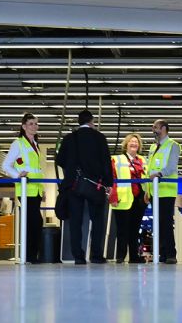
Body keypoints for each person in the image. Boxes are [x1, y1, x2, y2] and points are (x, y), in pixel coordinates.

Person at [55, 109, 114, 265]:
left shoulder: (69, 138)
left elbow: (59, 160)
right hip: (96, 185)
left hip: (74, 185)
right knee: (98, 221)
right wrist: (108, 183)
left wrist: (72, 169)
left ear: (78, 122)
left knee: (75, 221)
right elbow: (106, 163)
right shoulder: (100, 138)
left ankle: (78, 257)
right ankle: (96, 255)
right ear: (91, 121)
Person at [2, 112, 45, 263]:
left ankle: (32, 255)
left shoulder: (35, 144)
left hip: (36, 189)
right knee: (34, 222)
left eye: (36, 123)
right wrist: (18, 176)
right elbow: (6, 165)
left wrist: (42, 188)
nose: (34, 126)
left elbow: (37, 169)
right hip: (26, 189)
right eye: (31, 124)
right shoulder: (18, 143)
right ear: (24, 126)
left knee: (35, 222)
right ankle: (30, 255)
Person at [146, 119, 181, 264]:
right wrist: (147, 190)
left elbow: (172, 166)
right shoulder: (153, 147)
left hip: (166, 191)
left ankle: (171, 253)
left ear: (164, 128)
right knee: (158, 224)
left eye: (156, 127)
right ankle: (163, 253)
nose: (153, 129)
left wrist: (159, 174)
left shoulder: (173, 145)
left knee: (166, 222)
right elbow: (149, 169)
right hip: (154, 191)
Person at [111, 133, 147, 263]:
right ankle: (120, 256)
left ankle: (134, 256)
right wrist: (113, 197)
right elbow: (112, 179)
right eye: (131, 141)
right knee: (122, 229)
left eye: (136, 142)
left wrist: (147, 195)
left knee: (135, 229)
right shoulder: (117, 159)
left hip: (139, 199)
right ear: (126, 144)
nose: (134, 144)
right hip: (122, 199)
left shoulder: (143, 160)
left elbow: (147, 179)